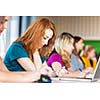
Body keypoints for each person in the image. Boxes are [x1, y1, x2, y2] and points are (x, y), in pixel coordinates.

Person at [0, 17, 55, 82]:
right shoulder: (17, 47)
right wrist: (35, 49)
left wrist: (50, 72)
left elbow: (47, 71)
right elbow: (36, 72)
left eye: (49, 39)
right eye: (45, 38)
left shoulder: (39, 50)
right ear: (36, 34)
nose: (46, 43)